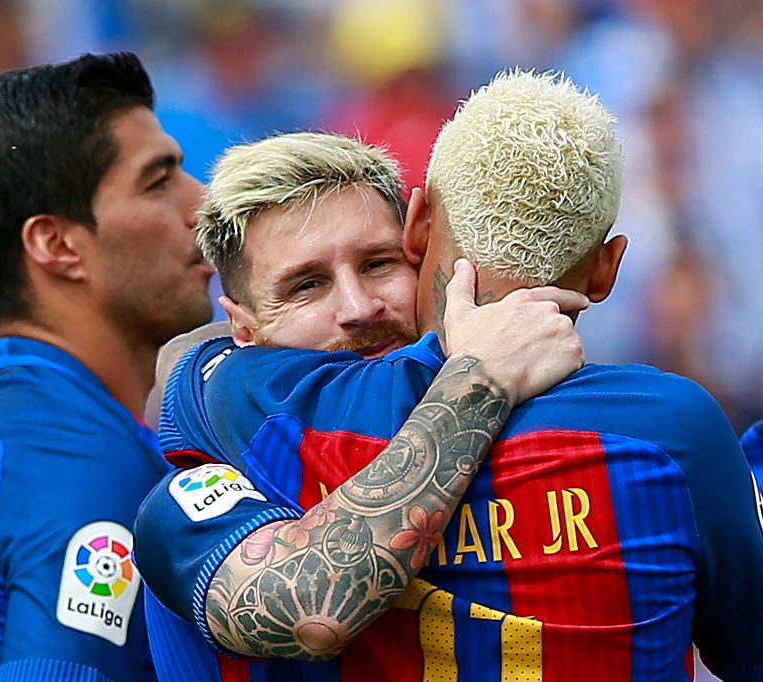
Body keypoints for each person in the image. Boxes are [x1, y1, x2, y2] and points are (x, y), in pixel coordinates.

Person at [135, 71, 763, 681]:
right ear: (241, 330)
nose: (358, 310)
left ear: (416, 239)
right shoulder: (214, 469)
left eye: (378, 264)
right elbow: (307, 609)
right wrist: (479, 376)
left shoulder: (232, 405)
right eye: (306, 286)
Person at [0, 52, 215, 681]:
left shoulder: (3, 424)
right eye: (158, 181)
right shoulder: (74, 457)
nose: (203, 203)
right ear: (56, 245)